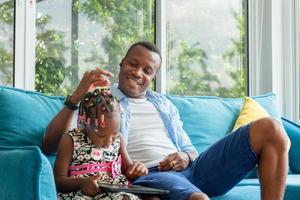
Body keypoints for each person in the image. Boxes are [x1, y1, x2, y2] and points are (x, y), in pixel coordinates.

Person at [43, 41, 290, 200]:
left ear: (154, 77)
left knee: (270, 128)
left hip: (193, 167)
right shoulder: (102, 102)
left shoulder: (164, 104)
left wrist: (186, 156)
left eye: (147, 71)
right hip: (151, 173)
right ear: (121, 63)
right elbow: (51, 144)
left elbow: (189, 148)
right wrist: (77, 96)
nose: (138, 73)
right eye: (133, 64)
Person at [54, 87, 148, 200]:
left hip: (116, 192)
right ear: (85, 124)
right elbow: (58, 180)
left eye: (114, 133)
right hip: (84, 194)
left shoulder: (119, 140)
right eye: (101, 136)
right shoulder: (70, 140)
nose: (109, 142)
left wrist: (138, 169)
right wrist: (82, 183)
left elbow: (129, 170)